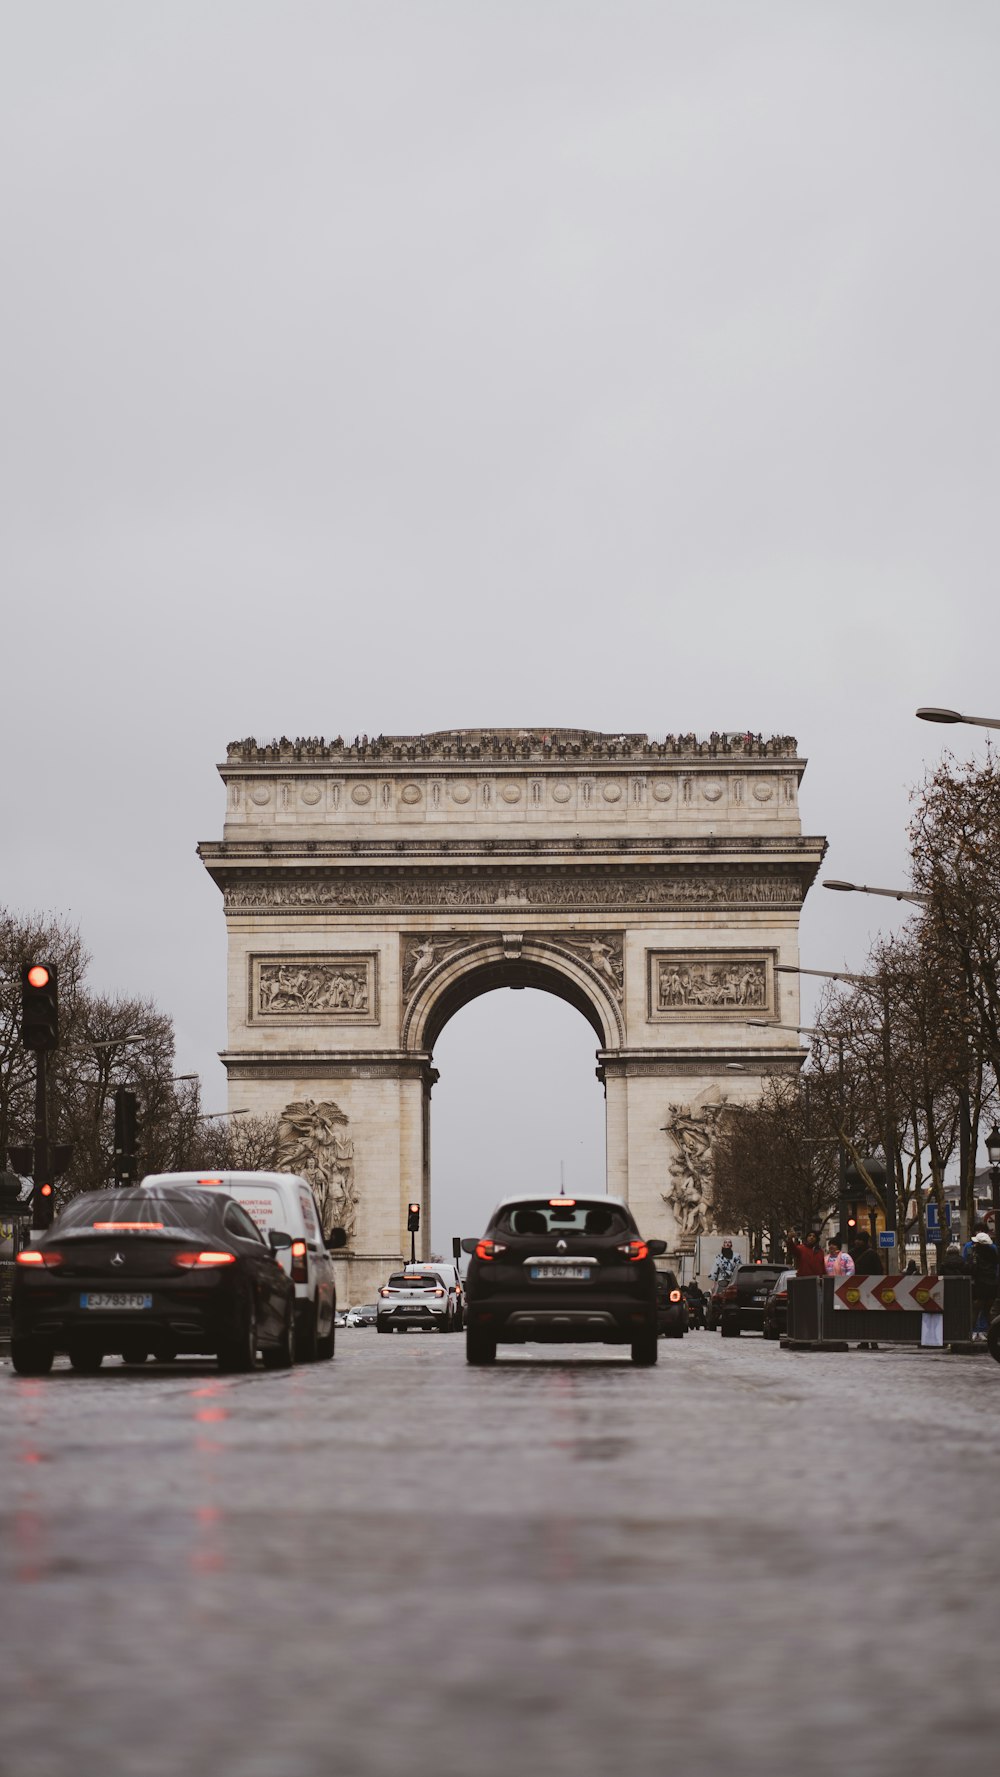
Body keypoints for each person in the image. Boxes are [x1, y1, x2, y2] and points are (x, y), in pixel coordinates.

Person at [964, 1230, 1000, 1337]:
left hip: (980, 1285)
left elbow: (972, 1269)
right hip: (992, 1285)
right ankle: (994, 1334)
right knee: (988, 1311)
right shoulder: (994, 1253)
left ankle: (970, 1332)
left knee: (975, 1309)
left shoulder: (976, 1254)